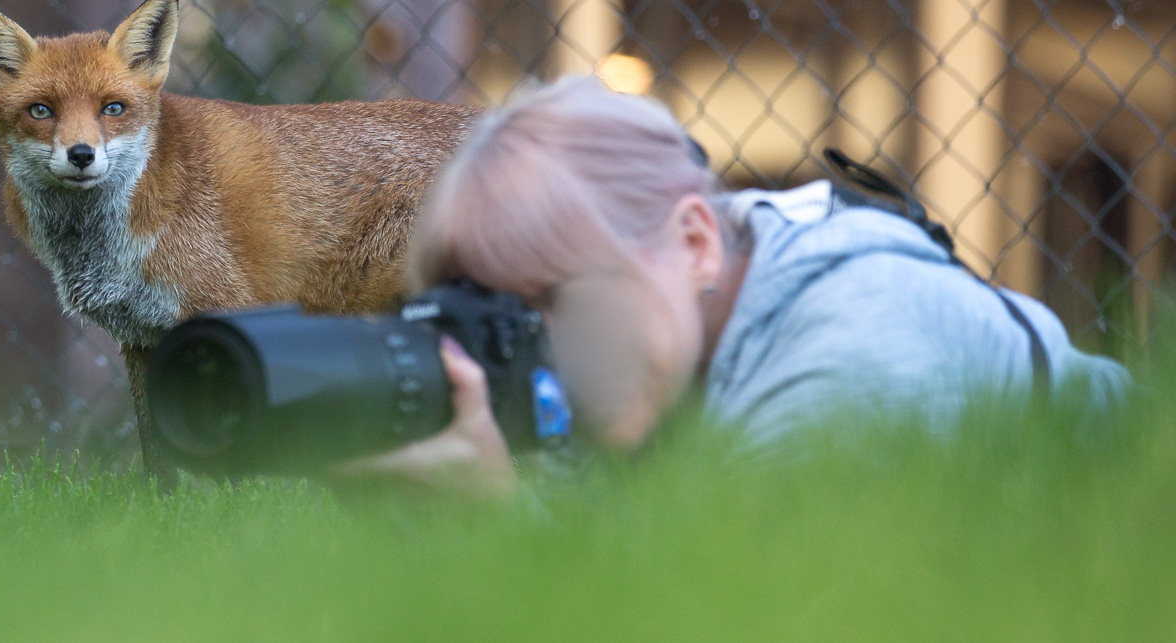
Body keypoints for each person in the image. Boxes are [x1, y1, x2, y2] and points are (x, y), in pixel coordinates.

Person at [334, 77, 1131, 501]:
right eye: (495, 318)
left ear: (694, 242)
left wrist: (502, 527)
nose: (534, 350)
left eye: (554, 301)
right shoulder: (653, 355)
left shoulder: (853, 345)